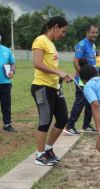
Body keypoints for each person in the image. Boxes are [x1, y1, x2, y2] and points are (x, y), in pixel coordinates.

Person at [31, 16, 71, 166]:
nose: (63, 34)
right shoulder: (40, 40)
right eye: (63, 31)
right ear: (55, 27)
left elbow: (51, 67)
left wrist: (62, 75)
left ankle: (48, 149)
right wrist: (57, 72)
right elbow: (37, 63)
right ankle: (39, 155)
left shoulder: (51, 44)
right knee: (45, 121)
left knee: (62, 119)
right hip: (42, 87)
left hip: (54, 87)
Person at [64, 24, 99, 135]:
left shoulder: (93, 45)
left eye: (96, 33)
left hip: (91, 78)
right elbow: (75, 61)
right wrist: (81, 75)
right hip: (83, 79)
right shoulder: (82, 44)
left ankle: (86, 125)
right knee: (80, 101)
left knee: (90, 101)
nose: (94, 35)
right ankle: (69, 126)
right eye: (92, 32)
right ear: (87, 32)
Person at [0, 34, 16, 132]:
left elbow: (13, 63)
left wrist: (12, 71)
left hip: (5, 82)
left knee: (6, 104)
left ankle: (7, 124)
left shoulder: (6, 50)